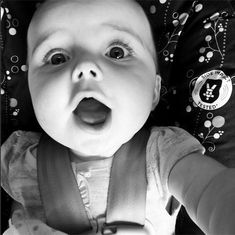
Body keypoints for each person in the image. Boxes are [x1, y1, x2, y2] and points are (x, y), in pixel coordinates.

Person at [1, 0, 235, 234]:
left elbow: (211, 190)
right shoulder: (17, 158)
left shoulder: (164, 154)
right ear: (31, 92)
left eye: (116, 52)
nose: (85, 66)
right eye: (57, 58)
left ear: (154, 91)